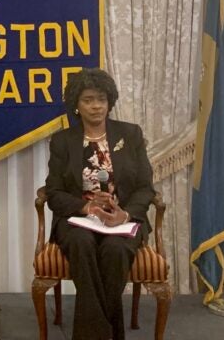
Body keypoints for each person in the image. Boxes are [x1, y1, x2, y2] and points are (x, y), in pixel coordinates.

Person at [45, 69, 155, 340]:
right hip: (78, 220)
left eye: (102, 99)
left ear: (110, 102)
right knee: (82, 244)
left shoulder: (130, 135)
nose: (96, 106)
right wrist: (87, 208)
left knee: (116, 250)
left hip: (122, 221)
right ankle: (108, 334)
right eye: (88, 100)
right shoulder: (63, 141)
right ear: (76, 105)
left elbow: (145, 187)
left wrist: (125, 214)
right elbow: (53, 192)